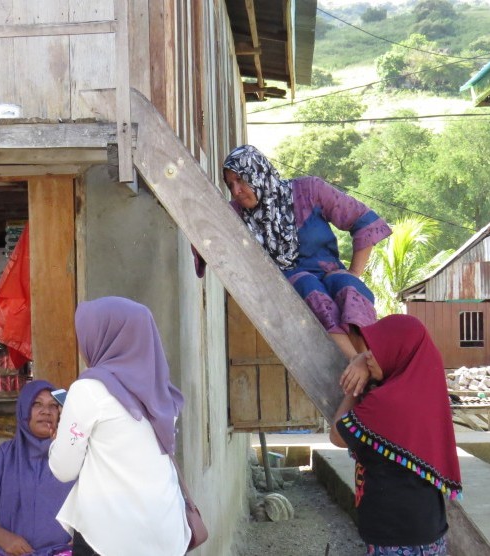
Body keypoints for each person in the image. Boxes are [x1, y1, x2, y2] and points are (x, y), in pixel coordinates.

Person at [199, 144, 392, 359]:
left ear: (259, 174)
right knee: (307, 285)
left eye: (241, 180)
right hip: (288, 288)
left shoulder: (309, 191)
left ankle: (372, 360)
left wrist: (354, 273)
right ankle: (357, 363)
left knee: (347, 285)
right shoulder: (236, 214)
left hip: (329, 274)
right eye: (230, 184)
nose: (236, 191)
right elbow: (204, 230)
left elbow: (363, 220)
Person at [48, 296, 190, 556]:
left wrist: (60, 438)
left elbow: (63, 469)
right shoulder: (162, 392)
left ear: (103, 337)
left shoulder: (89, 390)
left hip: (110, 536)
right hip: (166, 531)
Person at [330, 314, 462, 555]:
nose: (369, 356)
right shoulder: (424, 393)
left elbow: (338, 436)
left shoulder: (386, 404)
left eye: (376, 350)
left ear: (397, 352)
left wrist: (354, 387)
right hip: (428, 531)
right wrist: (362, 361)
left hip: (396, 537)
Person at [0, 379, 74, 556]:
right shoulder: (0, 459)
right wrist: (3, 538)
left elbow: (99, 507)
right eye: (37, 404)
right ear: (23, 410)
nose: (46, 411)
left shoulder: (73, 457)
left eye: (53, 406)